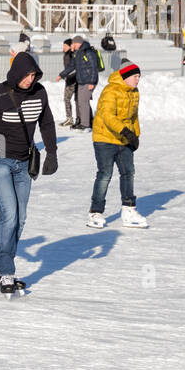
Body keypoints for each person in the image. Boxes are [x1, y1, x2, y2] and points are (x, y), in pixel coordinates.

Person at [0, 52, 59, 294]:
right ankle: (7, 273)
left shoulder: (40, 93)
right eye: (27, 75)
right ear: (16, 73)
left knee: (21, 217)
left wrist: (52, 153)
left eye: (34, 74)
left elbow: (47, 123)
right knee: (9, 213)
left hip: (24, 161)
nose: (30, 79)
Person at [87, 62, 146, 229]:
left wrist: (135, 135)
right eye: (135, 76)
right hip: (104, 138)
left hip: (124, 138)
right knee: (105, 174)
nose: (138, 80)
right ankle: (95, 212)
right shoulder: (110, 90)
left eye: (139, 77)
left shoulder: (134, 92)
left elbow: (134, 117)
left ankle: (128, 209)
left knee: (129, 172)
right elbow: (107, 116)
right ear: (126, 77)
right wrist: (126, 132)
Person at [58, 36, 101, 130]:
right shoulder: (77, 53)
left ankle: (86, 125)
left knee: (83, 102)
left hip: (89, 81)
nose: (73, 45)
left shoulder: (88, 52)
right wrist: (61, 75)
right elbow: (71, 66)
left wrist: (92, 82)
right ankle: (82, 122)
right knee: (80, 102)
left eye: (74, 44)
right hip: (81, 81)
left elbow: (94, 68)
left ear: (79, 43)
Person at [55, 38, 77, 126]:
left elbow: (72, 68)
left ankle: (69, 118)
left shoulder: (71, 55)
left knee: (67, 98)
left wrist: (64, 75)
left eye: (65, 46)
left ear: (70, 46)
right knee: (70, 99)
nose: (63, 47)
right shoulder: (67, 54)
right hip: (70, 79)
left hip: (72, 80)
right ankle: (70, 118)